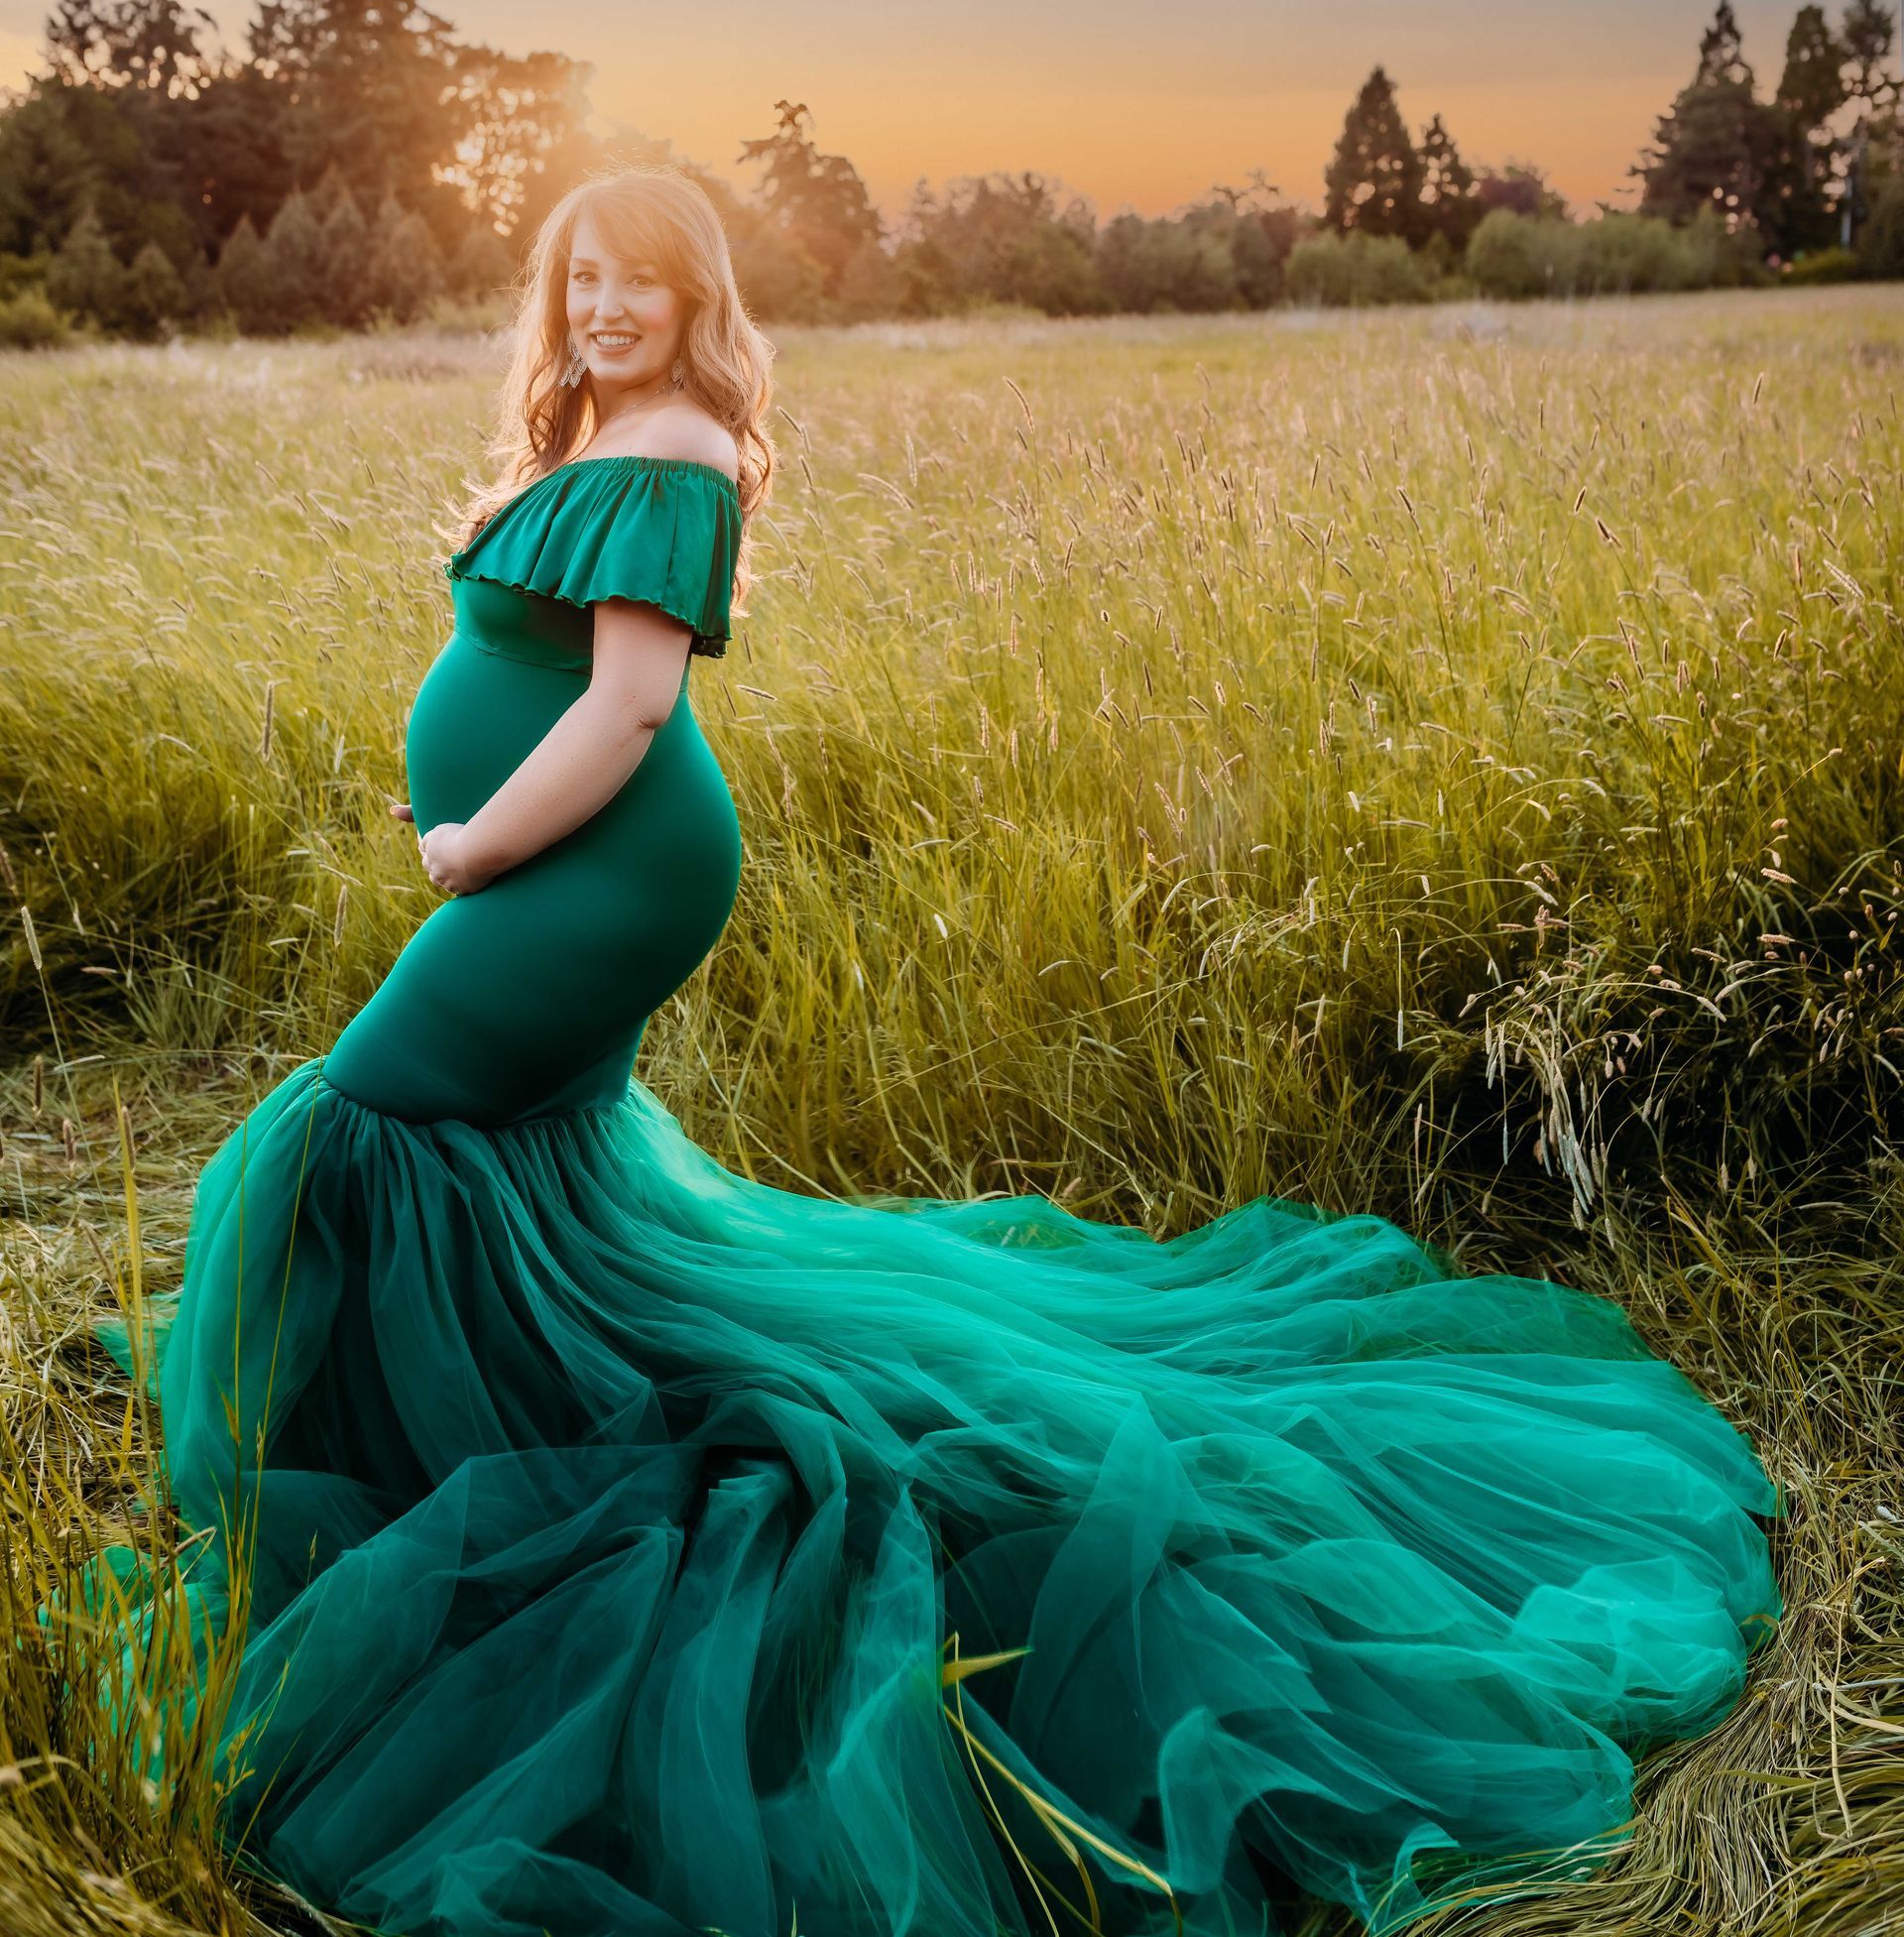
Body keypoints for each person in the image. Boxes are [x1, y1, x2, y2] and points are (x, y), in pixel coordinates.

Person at [124, 166, 1781, 1937]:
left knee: (352, 1127)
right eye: (581, 277)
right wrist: (473, 789)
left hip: (592, 874)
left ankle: (390, 1485)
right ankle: (445, 1460)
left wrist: (473, 847)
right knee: (506, 1164)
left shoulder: (671, 443)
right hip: (567, 861)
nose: (606, 306)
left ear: (697, 307)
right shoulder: (596, 429)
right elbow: (542, 683)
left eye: (643, 284)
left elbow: (627, 705)